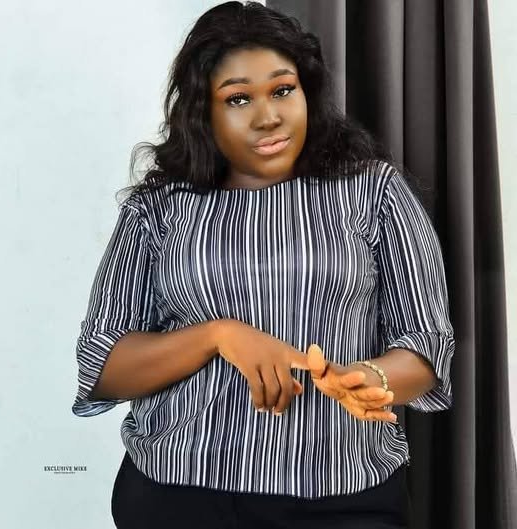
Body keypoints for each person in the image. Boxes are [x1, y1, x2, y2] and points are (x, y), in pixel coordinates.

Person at [71, 2, 455, 528]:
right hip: (179, 493)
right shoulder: (156, 210)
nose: (268, 116)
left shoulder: (375, 192)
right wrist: (218, 336)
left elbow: (426, 345)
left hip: (344, 496)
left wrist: (369, 377)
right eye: (238, 99)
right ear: (203, 111)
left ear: (307, 92)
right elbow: (103, 367)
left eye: (282, 90)